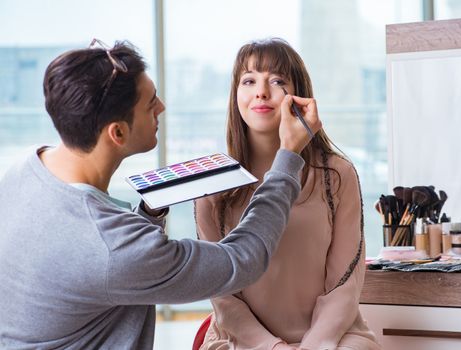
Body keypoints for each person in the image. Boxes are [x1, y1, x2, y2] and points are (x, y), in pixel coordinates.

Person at [0, 39, 321, 349]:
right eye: (151, 102)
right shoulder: (114, 248)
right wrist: (288, 159)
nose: (162, 107)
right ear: (118, 132)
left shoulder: (22, 170)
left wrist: (149, 215)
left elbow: (104, 261)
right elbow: (243, 260)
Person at [195, 38, 380, 349]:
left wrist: (312, 346)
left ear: (299, 96)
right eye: (249, 80)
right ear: (235, 95)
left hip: (333, 338)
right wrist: (274, 348)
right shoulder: (213, 184)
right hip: (241, 341)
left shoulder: (338, 175)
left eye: (277, 80)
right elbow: (222, 295)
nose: (261, 92)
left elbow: (345, 285)